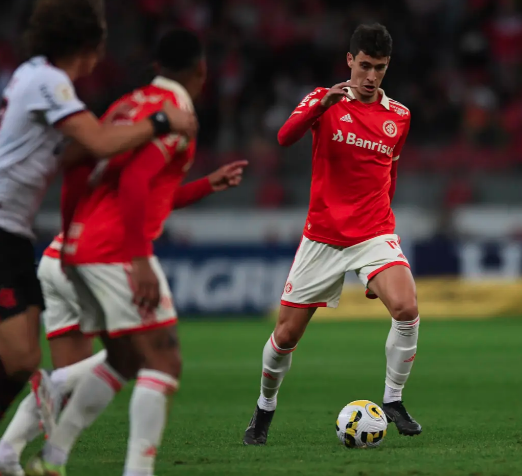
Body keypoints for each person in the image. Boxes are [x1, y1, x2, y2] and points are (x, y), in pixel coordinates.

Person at [0, 0, 196, 427]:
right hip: (1, 227)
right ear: (88, 41)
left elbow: (74, 154)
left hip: (15, 233)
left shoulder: (35, 74)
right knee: (18, 357)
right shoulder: (49, 81)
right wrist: (161, 121)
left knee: (23, 359)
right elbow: (99, 142)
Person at [25, 28, 208, 476]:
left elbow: (75, 164)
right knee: (164, 361)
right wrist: (140, 257)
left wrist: (69, 233)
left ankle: (53, 457)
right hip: (116, 247)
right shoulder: (176, 111)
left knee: (124, 359)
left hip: (81, 243)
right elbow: (134, 180)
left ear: (157, 66)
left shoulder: (128, 105)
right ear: (200, 71)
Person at [0, 160, 246, 476]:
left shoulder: (116, 156)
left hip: (58, 257)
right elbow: (139, 193)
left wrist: (206, 185)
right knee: (146, 353)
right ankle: (59, 397)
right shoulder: (156, 143)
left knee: (80, 380)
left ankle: (8, 451)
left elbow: (149, 199)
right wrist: (141, 259)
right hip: (101, 258)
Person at [242, 23, 421, 446]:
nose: (371, 76)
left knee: (407, 308)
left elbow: (390, 175)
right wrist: (320, 105)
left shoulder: (399, 116)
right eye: (365, 66)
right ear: (350, 61)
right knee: (286, 336)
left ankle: (393, 400)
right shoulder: (324, 100)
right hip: (323, 237)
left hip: (374, 233)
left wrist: (382, 244)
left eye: (380, 68)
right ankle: (265, 407)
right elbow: (284, 137)